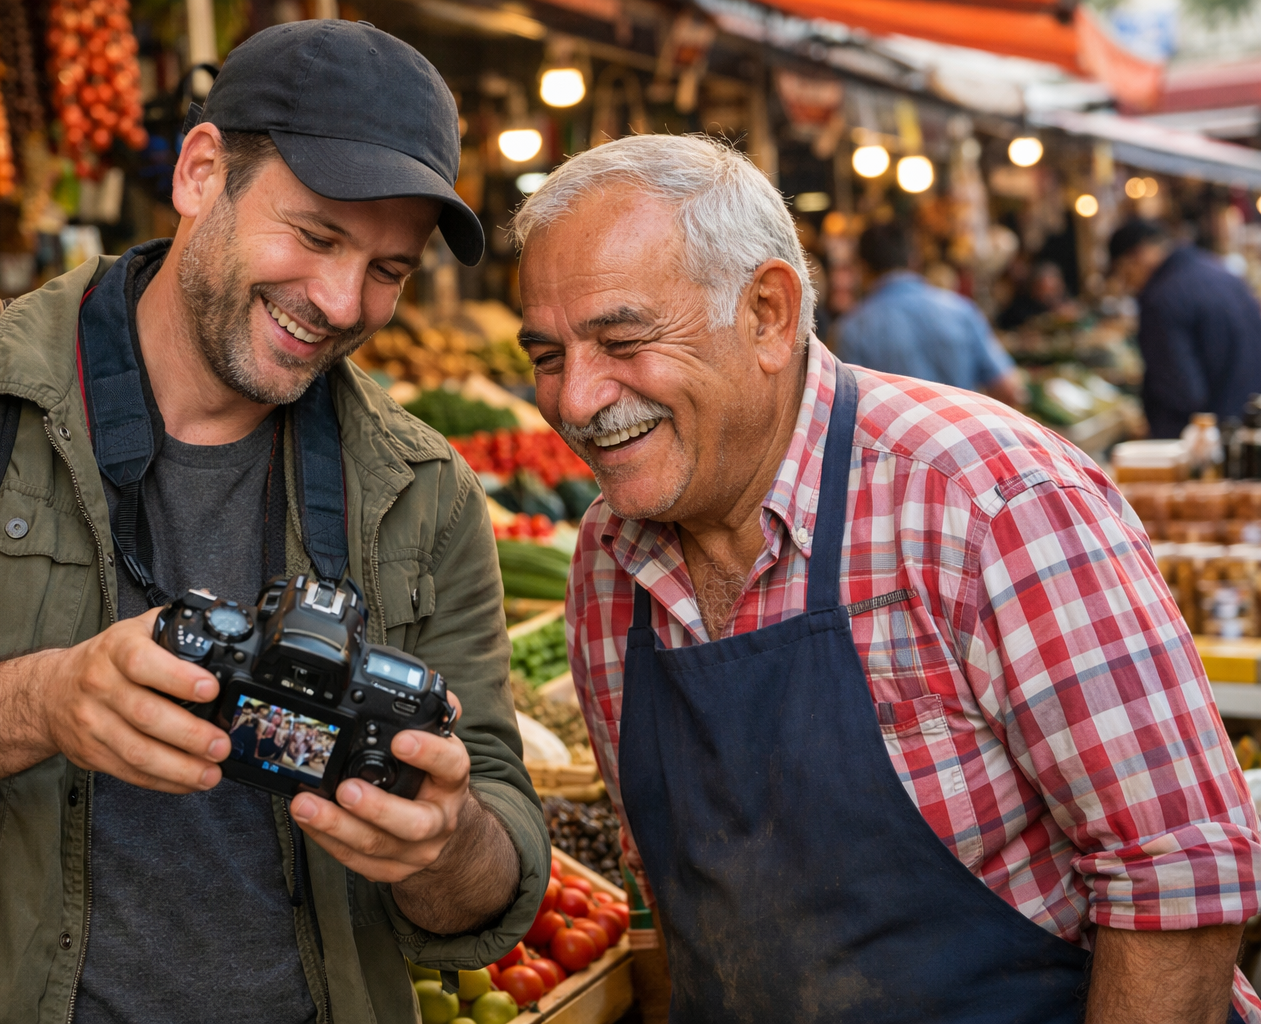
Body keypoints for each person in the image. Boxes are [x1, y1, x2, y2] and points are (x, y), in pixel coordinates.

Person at [0, 22, 547, 1024]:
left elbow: (495, 865)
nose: (341, 302)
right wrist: (41, 702)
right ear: (203, 171)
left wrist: (447, 840)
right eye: (318, 235)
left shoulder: (428, 493)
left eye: (390, 268)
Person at [514, 134, 1261, 1024]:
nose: (573, 400)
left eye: (622, 339)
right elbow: (686, 913)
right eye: (548, 356)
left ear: (767, 314)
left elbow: (1178, 880)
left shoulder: (989, 500)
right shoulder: (606, 562)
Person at [836, 221, 1026, 405]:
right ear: (914, 259)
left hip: (896, 438)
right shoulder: (960, 310)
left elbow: (847, 409)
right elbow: (1009, 390)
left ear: (861, 267)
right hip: (965, 435)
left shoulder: (852, 330)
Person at [1109, 219, 1261, 438]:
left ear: (1139, 255)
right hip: (1246, 425)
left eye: (1123, 273)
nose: (1127, 284)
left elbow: (1179, 391)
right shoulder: (1222, 273)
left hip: (1208, 440)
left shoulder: (1161, 298)